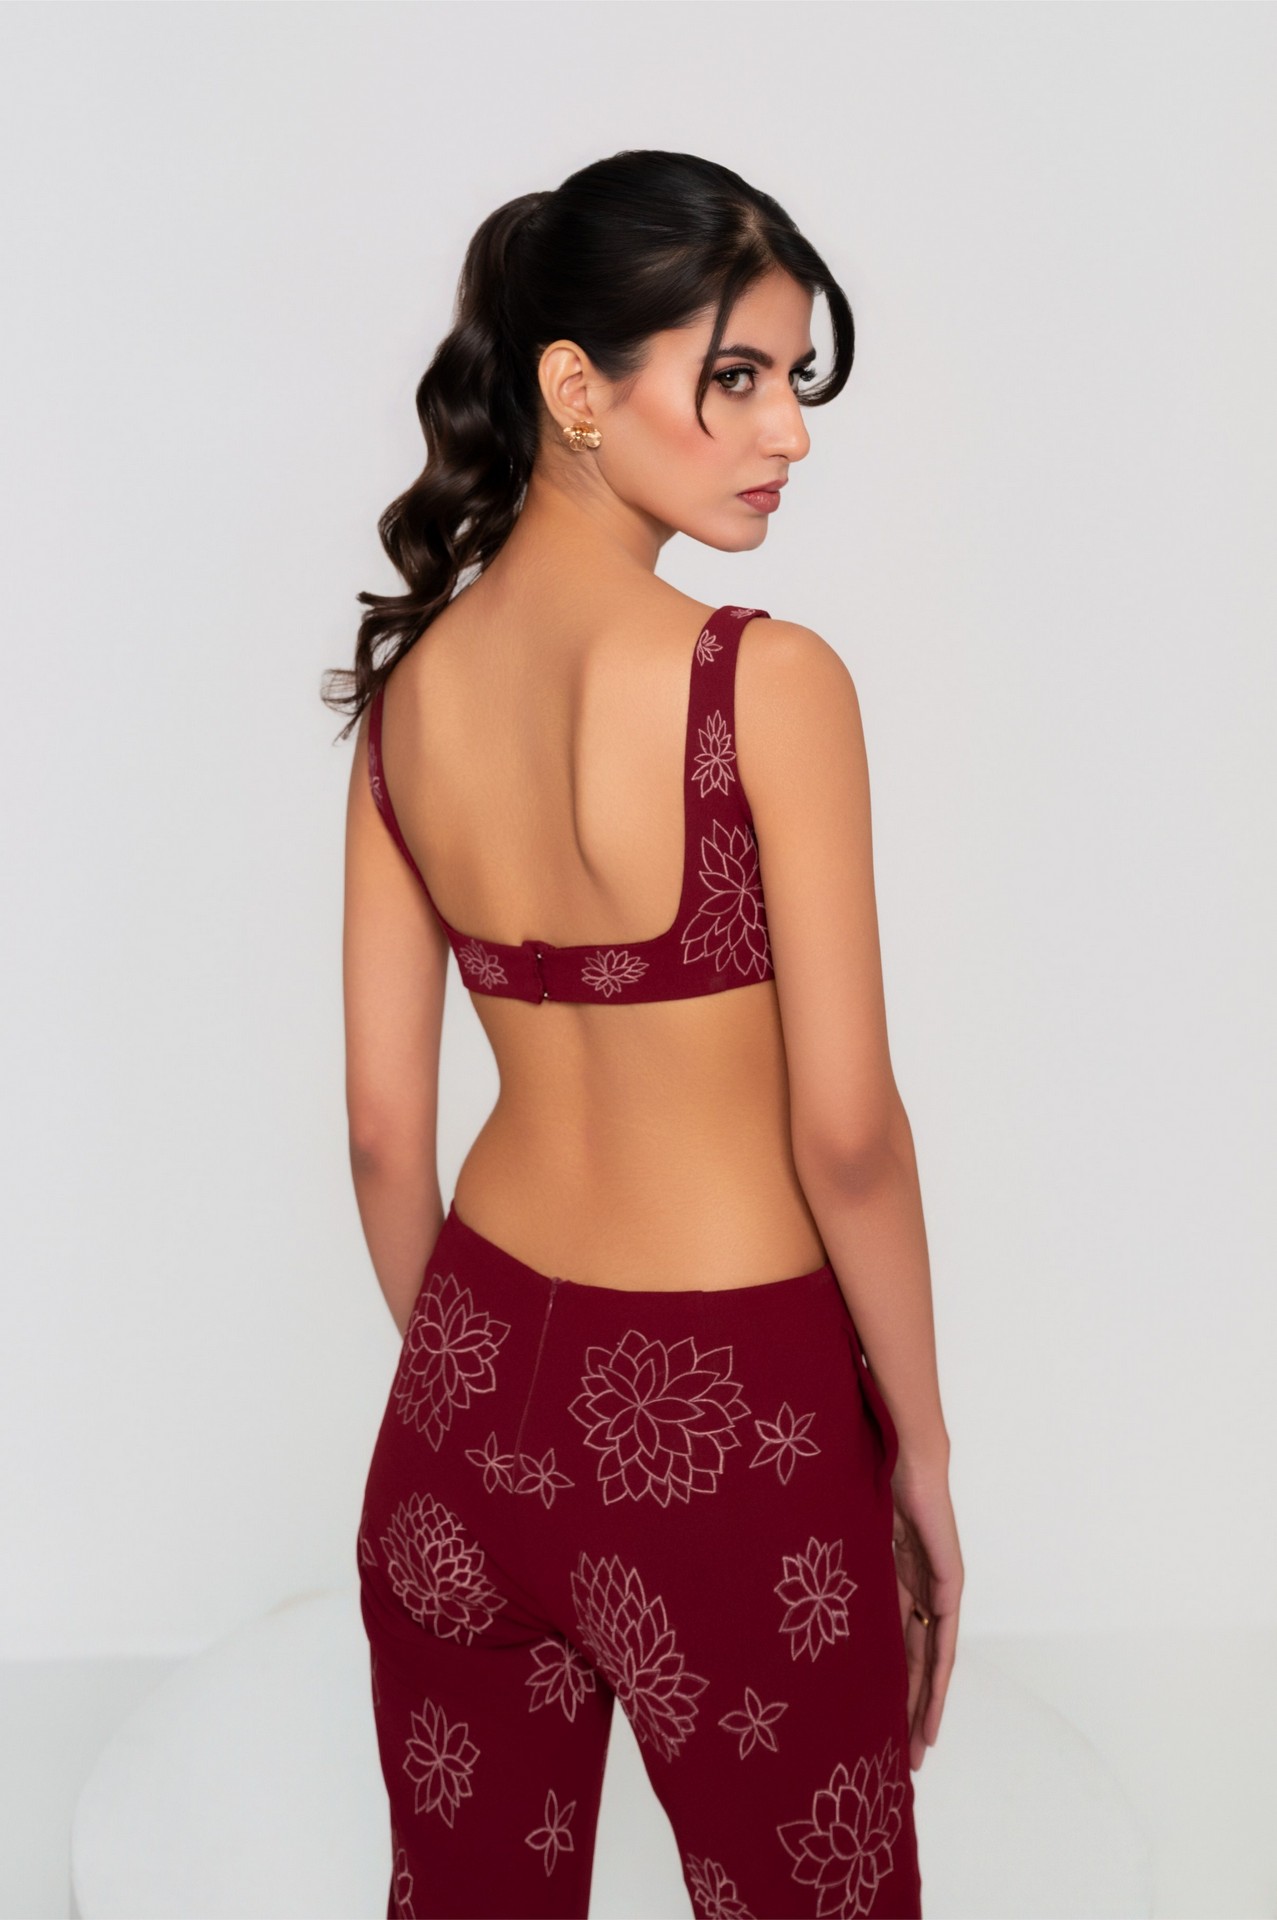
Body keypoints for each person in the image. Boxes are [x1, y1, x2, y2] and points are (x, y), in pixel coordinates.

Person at [324, 148, 962, 1920]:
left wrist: (491, 1411)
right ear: (576, 388)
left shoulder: (408, 699)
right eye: (735, 377)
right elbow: (846, 1135)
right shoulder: (762, 684)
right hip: (732, 1438)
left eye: (792, 381)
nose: (786, 433)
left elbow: (381, 1133)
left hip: (463, 1398)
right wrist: (916, 1453)